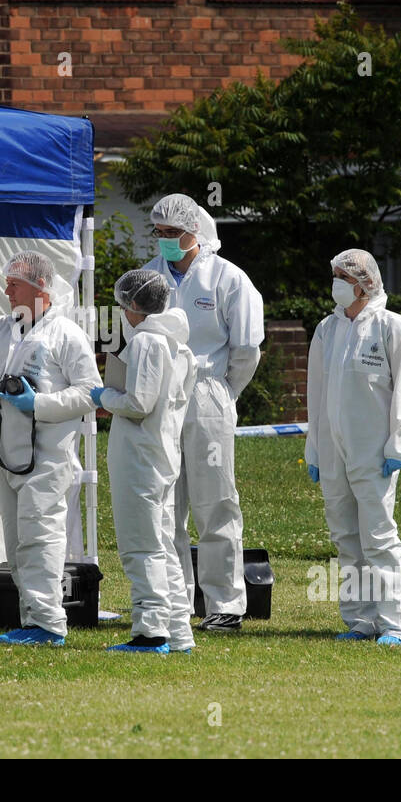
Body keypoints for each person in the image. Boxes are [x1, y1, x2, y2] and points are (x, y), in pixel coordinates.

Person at [0, 251, 101, 646]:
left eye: (14, 283)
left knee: (41, 537)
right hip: (6, 455)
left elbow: (90, 393)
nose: (6, 289)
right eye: (6, 282)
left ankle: (48, 623)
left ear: (39, 287)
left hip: (47, 459)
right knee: (17, 541)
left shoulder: (66, 335)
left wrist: (38, 405)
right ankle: (31, 619)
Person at [143, 194, 264, 632]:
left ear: (195, 232)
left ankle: (226, 605)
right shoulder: (148, 278)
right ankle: (175, 598)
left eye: (173, 233)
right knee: (165, 502)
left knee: (216, 501)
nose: (166, 241)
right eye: (159, 233)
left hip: (209, 392)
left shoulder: (227, 278)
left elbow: (247, 349)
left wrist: (224, 393)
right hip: (159, 396)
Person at [304, 250, 401, 645]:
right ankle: (360, 620)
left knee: (379, 537)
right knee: (345, 537)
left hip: (373, 450)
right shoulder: (326, 329)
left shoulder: (390, 326)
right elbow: (315, 394)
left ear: (363, 281)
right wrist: (314, 448)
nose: (334, 282)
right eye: (333, 274)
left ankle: (395, 624)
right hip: (333, 449)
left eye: (341, 275)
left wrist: (398, 442)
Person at [92, 269, 197, 654]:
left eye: (122, 304)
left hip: (140, 458)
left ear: (134, 305)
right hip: (163, 454)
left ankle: (150, 631)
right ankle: (178, 630)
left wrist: (102, 396)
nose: (121, 311)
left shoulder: (146, 343)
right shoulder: (177, 344)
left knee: (142, 545)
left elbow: (138, 403)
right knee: (164, 543)